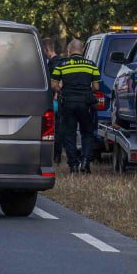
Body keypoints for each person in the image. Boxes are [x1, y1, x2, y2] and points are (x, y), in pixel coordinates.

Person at [51, 39, 101, 174]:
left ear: (69, 50)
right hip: (85, 104)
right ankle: (85, 163)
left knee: (69, 134)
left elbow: (54, 85)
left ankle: (73, 165)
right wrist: (86, 90)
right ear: (82, 50)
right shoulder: (91, 65)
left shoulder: (61, 65)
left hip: (68, 103)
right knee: (87, 133)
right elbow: (96, 87)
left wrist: (61, 90)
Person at [42, 38, 66, 164]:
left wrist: (56, 93)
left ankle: (56, 156)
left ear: (46, 49)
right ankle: (56, 155)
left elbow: (58, 82)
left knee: (55, 128)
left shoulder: (53, 64)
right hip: (59, 100)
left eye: (43, 51)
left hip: (55, 100)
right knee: (58, 128)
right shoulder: (62, 61)